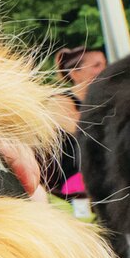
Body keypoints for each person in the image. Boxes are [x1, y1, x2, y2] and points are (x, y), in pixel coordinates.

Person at [43, 45, 107, 204]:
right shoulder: (60, 101)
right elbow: (85, 133)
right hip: (69, 187)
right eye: (96, 65)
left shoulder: (104, 103)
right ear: (75, 73)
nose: (104, 70)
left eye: (105, 64)